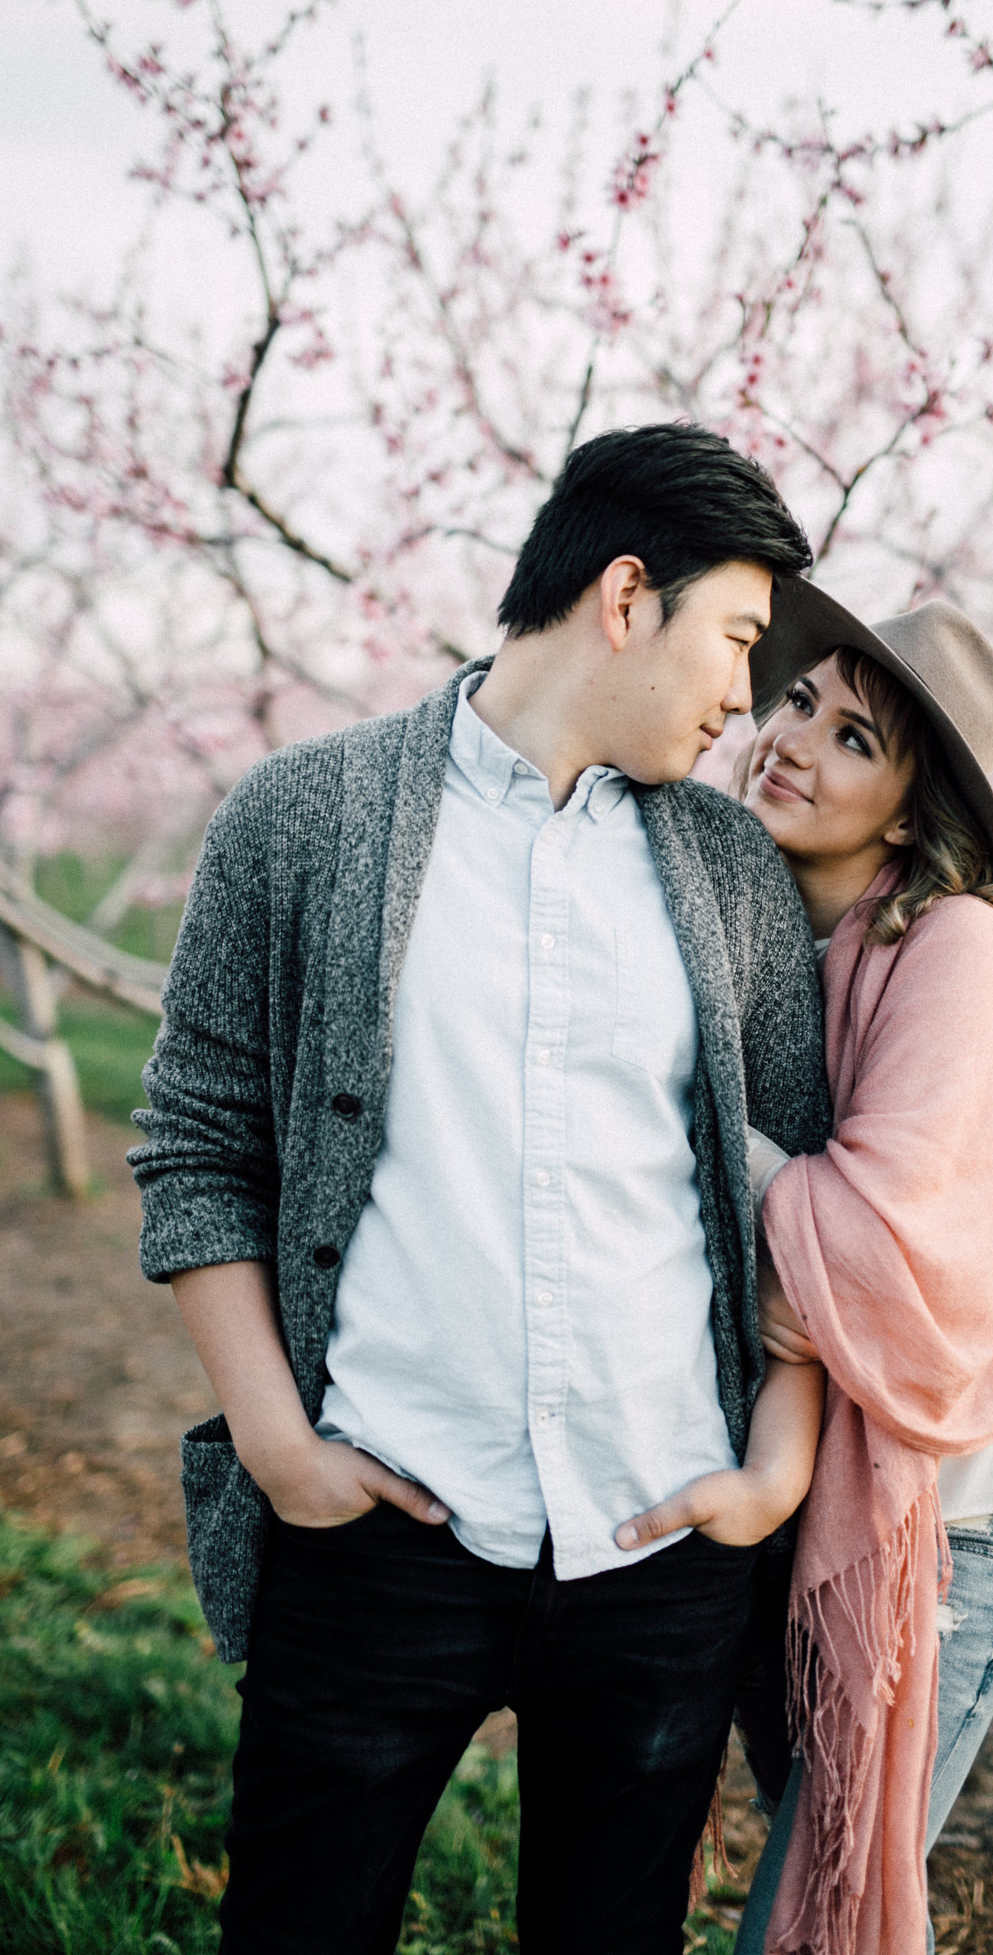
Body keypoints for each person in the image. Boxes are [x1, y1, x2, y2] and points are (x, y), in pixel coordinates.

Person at [127, 422, 836, 1955]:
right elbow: (196, 1146)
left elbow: (804, 1202)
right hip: (376, 1520)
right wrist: (278, 1447)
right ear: (627, 595)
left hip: (659, 1541)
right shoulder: (299, 819)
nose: (743, 699)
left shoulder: (729, 871)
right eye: (733, 639)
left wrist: (769, 1474)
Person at [614, 592, 993, 1955]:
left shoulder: (950, 952)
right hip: (780, 1476)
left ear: (908, 809)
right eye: (796, 697)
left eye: (852, 735)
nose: (790, 740)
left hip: (934, 1522)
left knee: (821, 1912)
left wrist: (682, 1119)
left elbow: (879, 1243)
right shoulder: (735, 925)